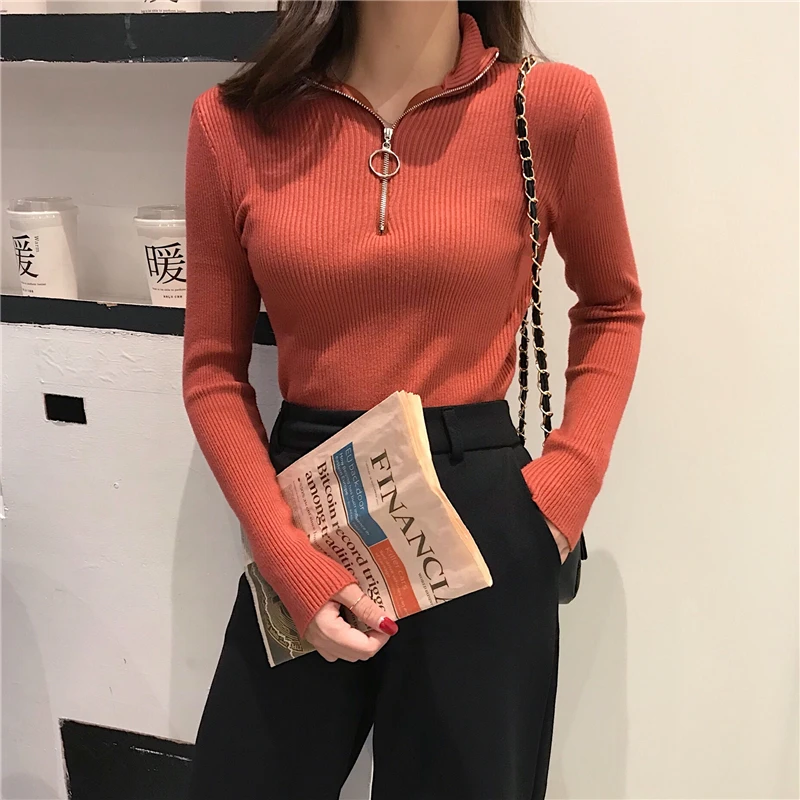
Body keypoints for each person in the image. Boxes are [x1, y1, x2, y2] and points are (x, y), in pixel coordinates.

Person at [182, 2, 644, 798]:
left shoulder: (549, 107)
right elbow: (212, 371)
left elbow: (612, 308)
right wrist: (282, 553)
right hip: (310, 514)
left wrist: (563, 491)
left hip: (484, 519)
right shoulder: (235, 123)